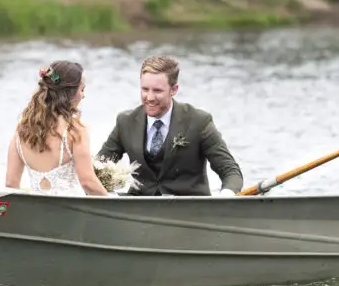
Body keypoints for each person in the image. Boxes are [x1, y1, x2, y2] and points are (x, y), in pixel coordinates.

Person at [97, 55, 244, 197]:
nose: (149, 97)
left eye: (157, 91)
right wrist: (106, 193)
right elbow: (98, 167)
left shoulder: (199, 121)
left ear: (174, 90)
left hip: (189, 209)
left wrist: (225, 196)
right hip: (139, 208)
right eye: (145, 89)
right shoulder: (125, 122)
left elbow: (230, 171)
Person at [5, 60, 111, 196]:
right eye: (82, 89)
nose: (83, 95)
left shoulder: (21, 131)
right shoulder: (75, 130)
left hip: (37, 212)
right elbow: (88, 182)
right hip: (72, 213)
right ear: (69, 92)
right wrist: (113, 203)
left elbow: (11, 184)